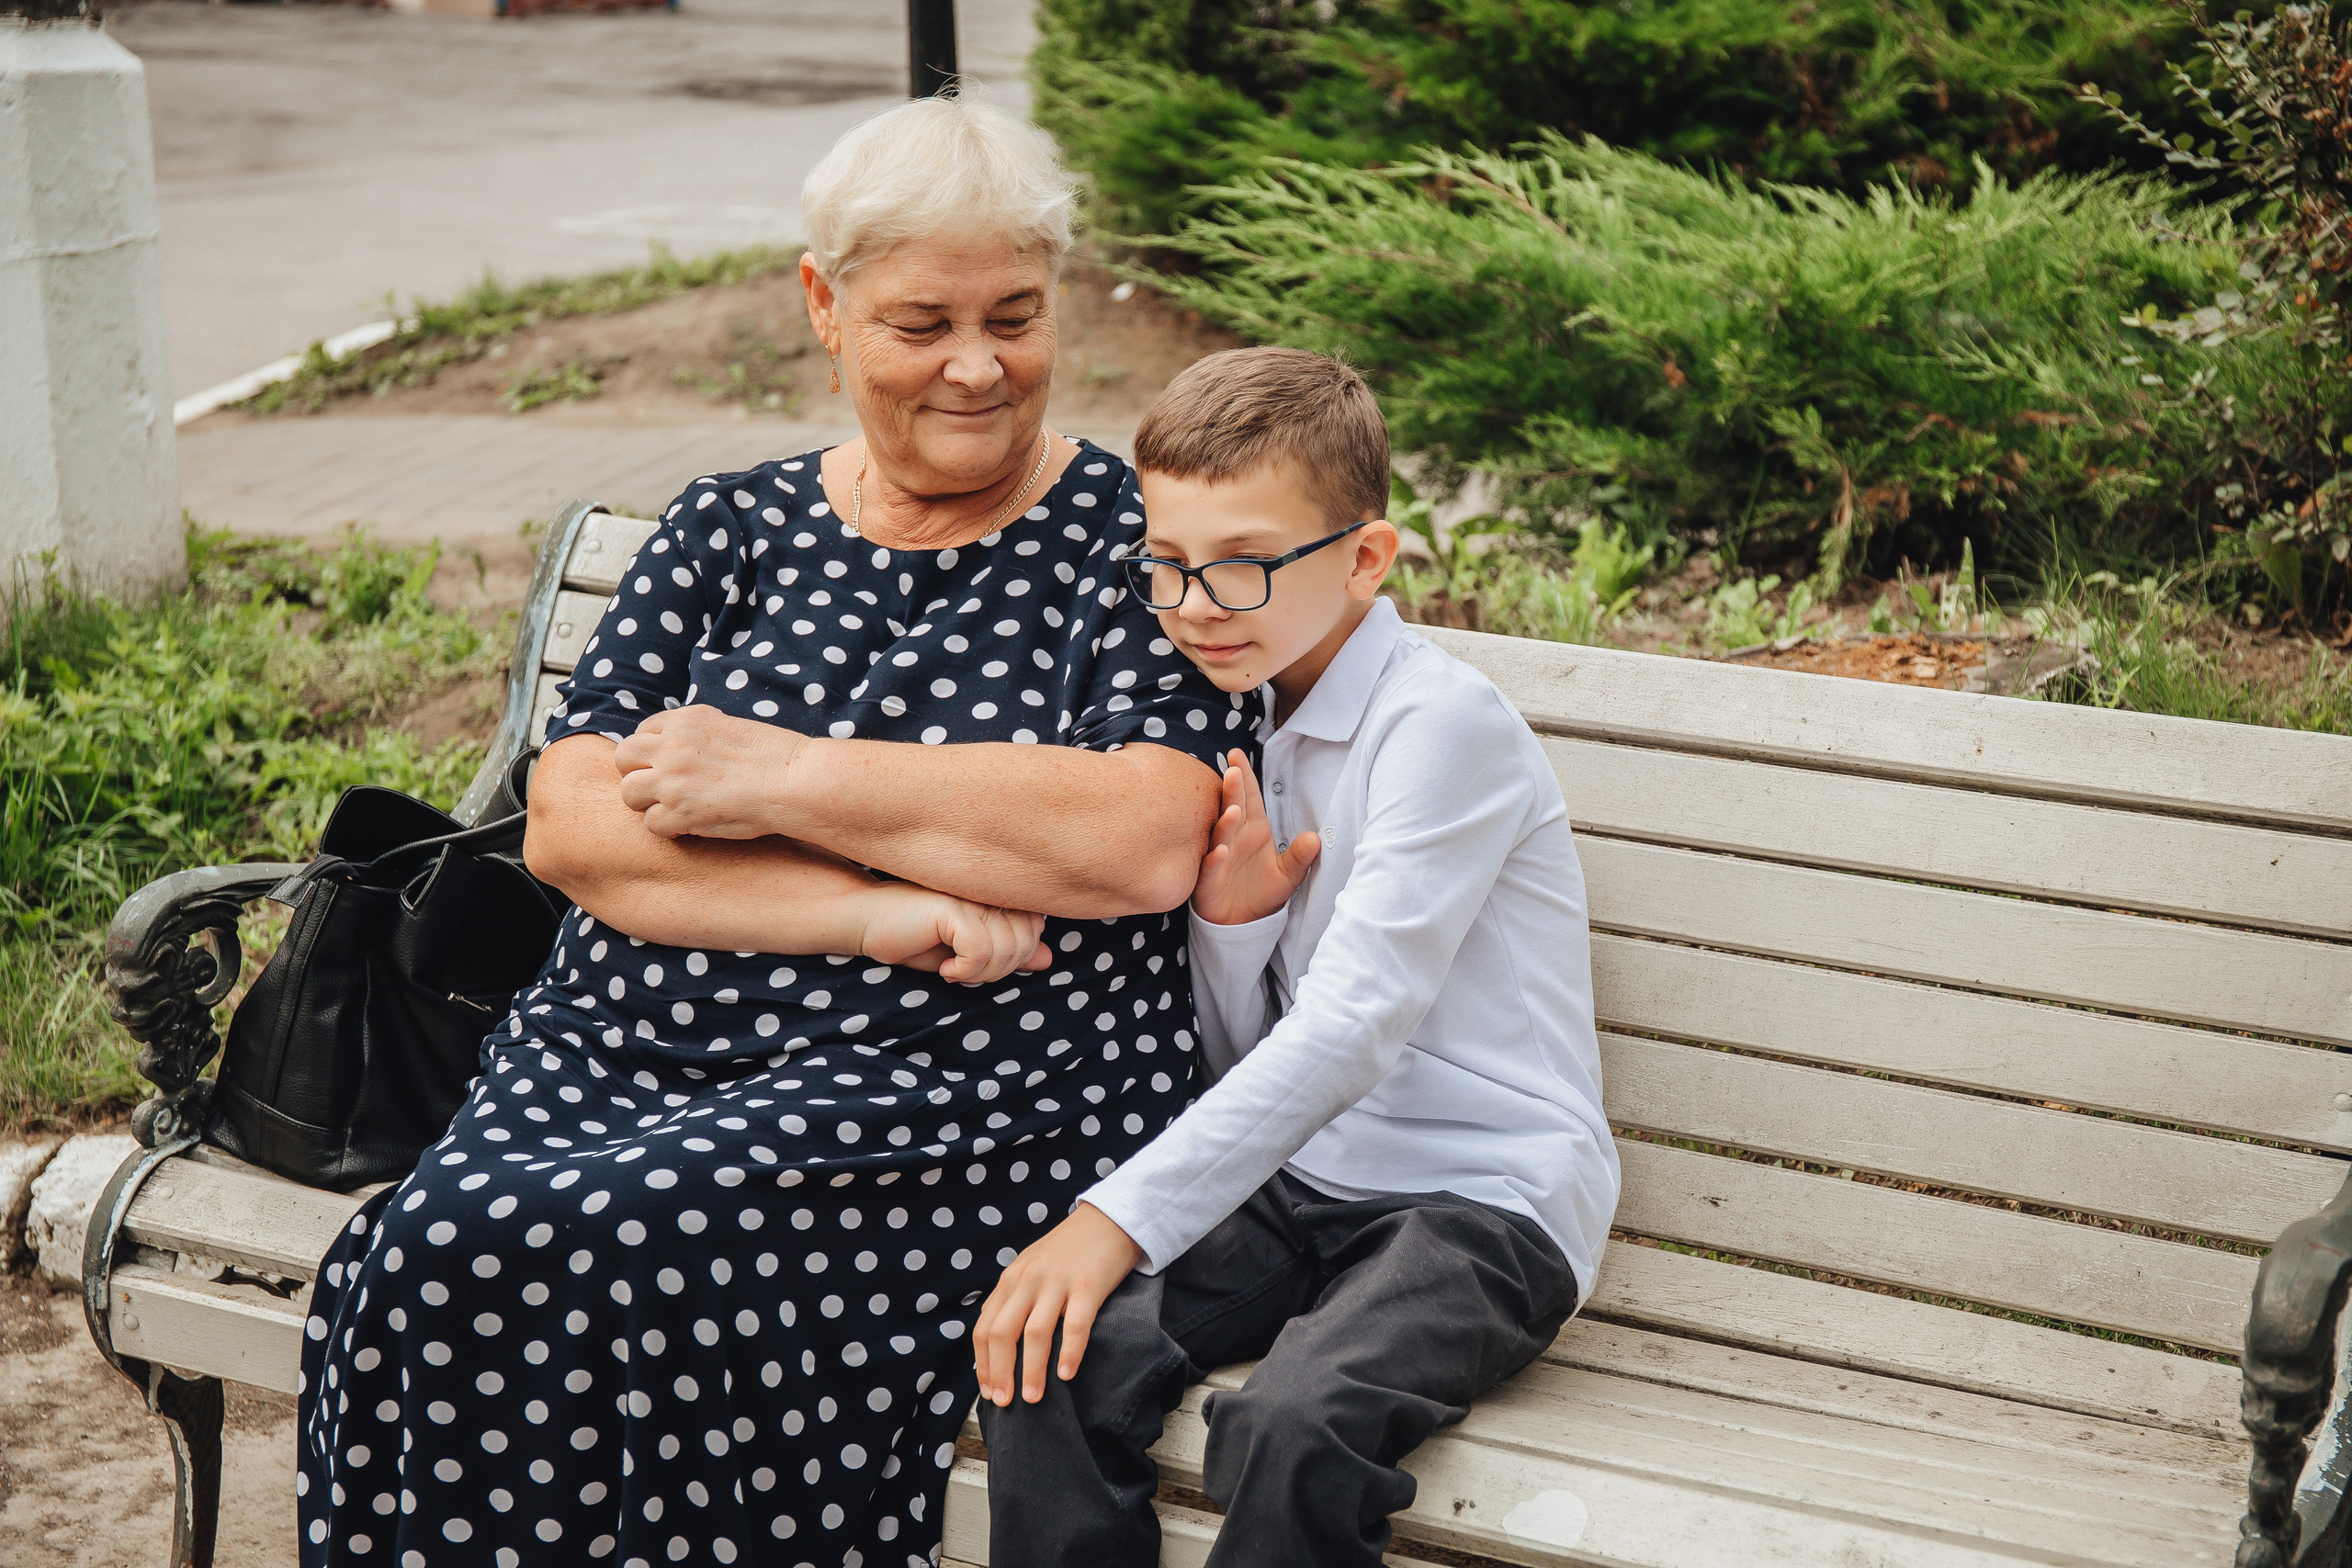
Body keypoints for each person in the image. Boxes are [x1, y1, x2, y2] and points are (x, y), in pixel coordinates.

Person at [291, 96, 1252, 1568]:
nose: (980, 366)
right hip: (612, 1057)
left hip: (952, 1098)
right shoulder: (729, 529)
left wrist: (777, 779)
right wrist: (874, 909)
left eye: (1016, 314)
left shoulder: (1126, 547)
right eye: (922, 323)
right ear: (825, 305)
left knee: (597, 1249)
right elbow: (573, 831)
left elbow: (1138, 836)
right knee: (420, 1256)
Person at [971, 348, 1622, 1568]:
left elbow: (1357, 1027)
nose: (1195, 605)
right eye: (1166, 567)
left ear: (1365, 559)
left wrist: (1114, 1218)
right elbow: (1253, 1061)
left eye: (1242, 565)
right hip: (1307, 1174)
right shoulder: (1244, 707)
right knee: (1048, 1359)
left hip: (1481, 1202)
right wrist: (1231, 926)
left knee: (1289, 1425)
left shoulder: (1442, 728)